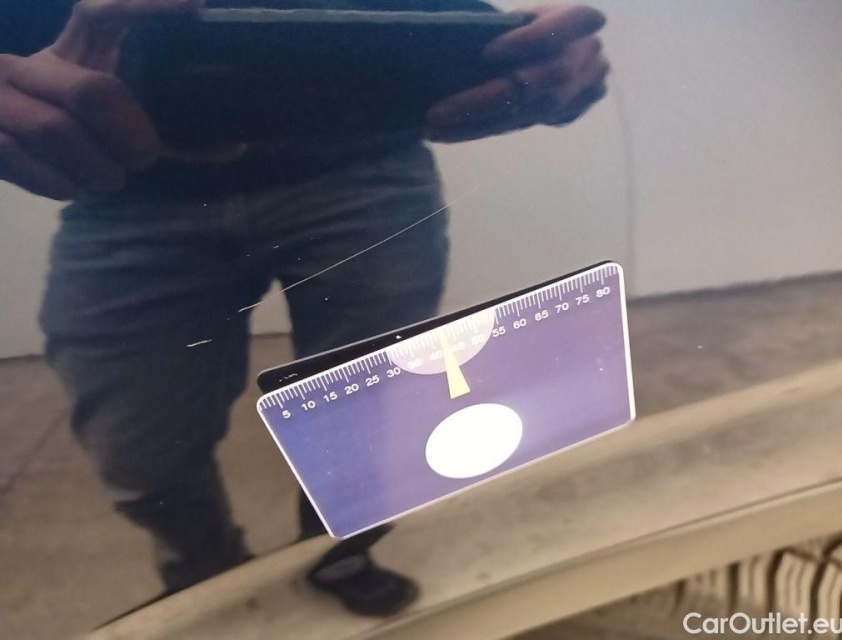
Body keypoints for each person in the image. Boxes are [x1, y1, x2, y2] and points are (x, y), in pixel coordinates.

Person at [0, 0, 610, 620]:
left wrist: (530, 52)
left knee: (367, 422)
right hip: (133, 193)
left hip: (358, 169)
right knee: (139, 457)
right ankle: (204, 576)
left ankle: (337, 556)